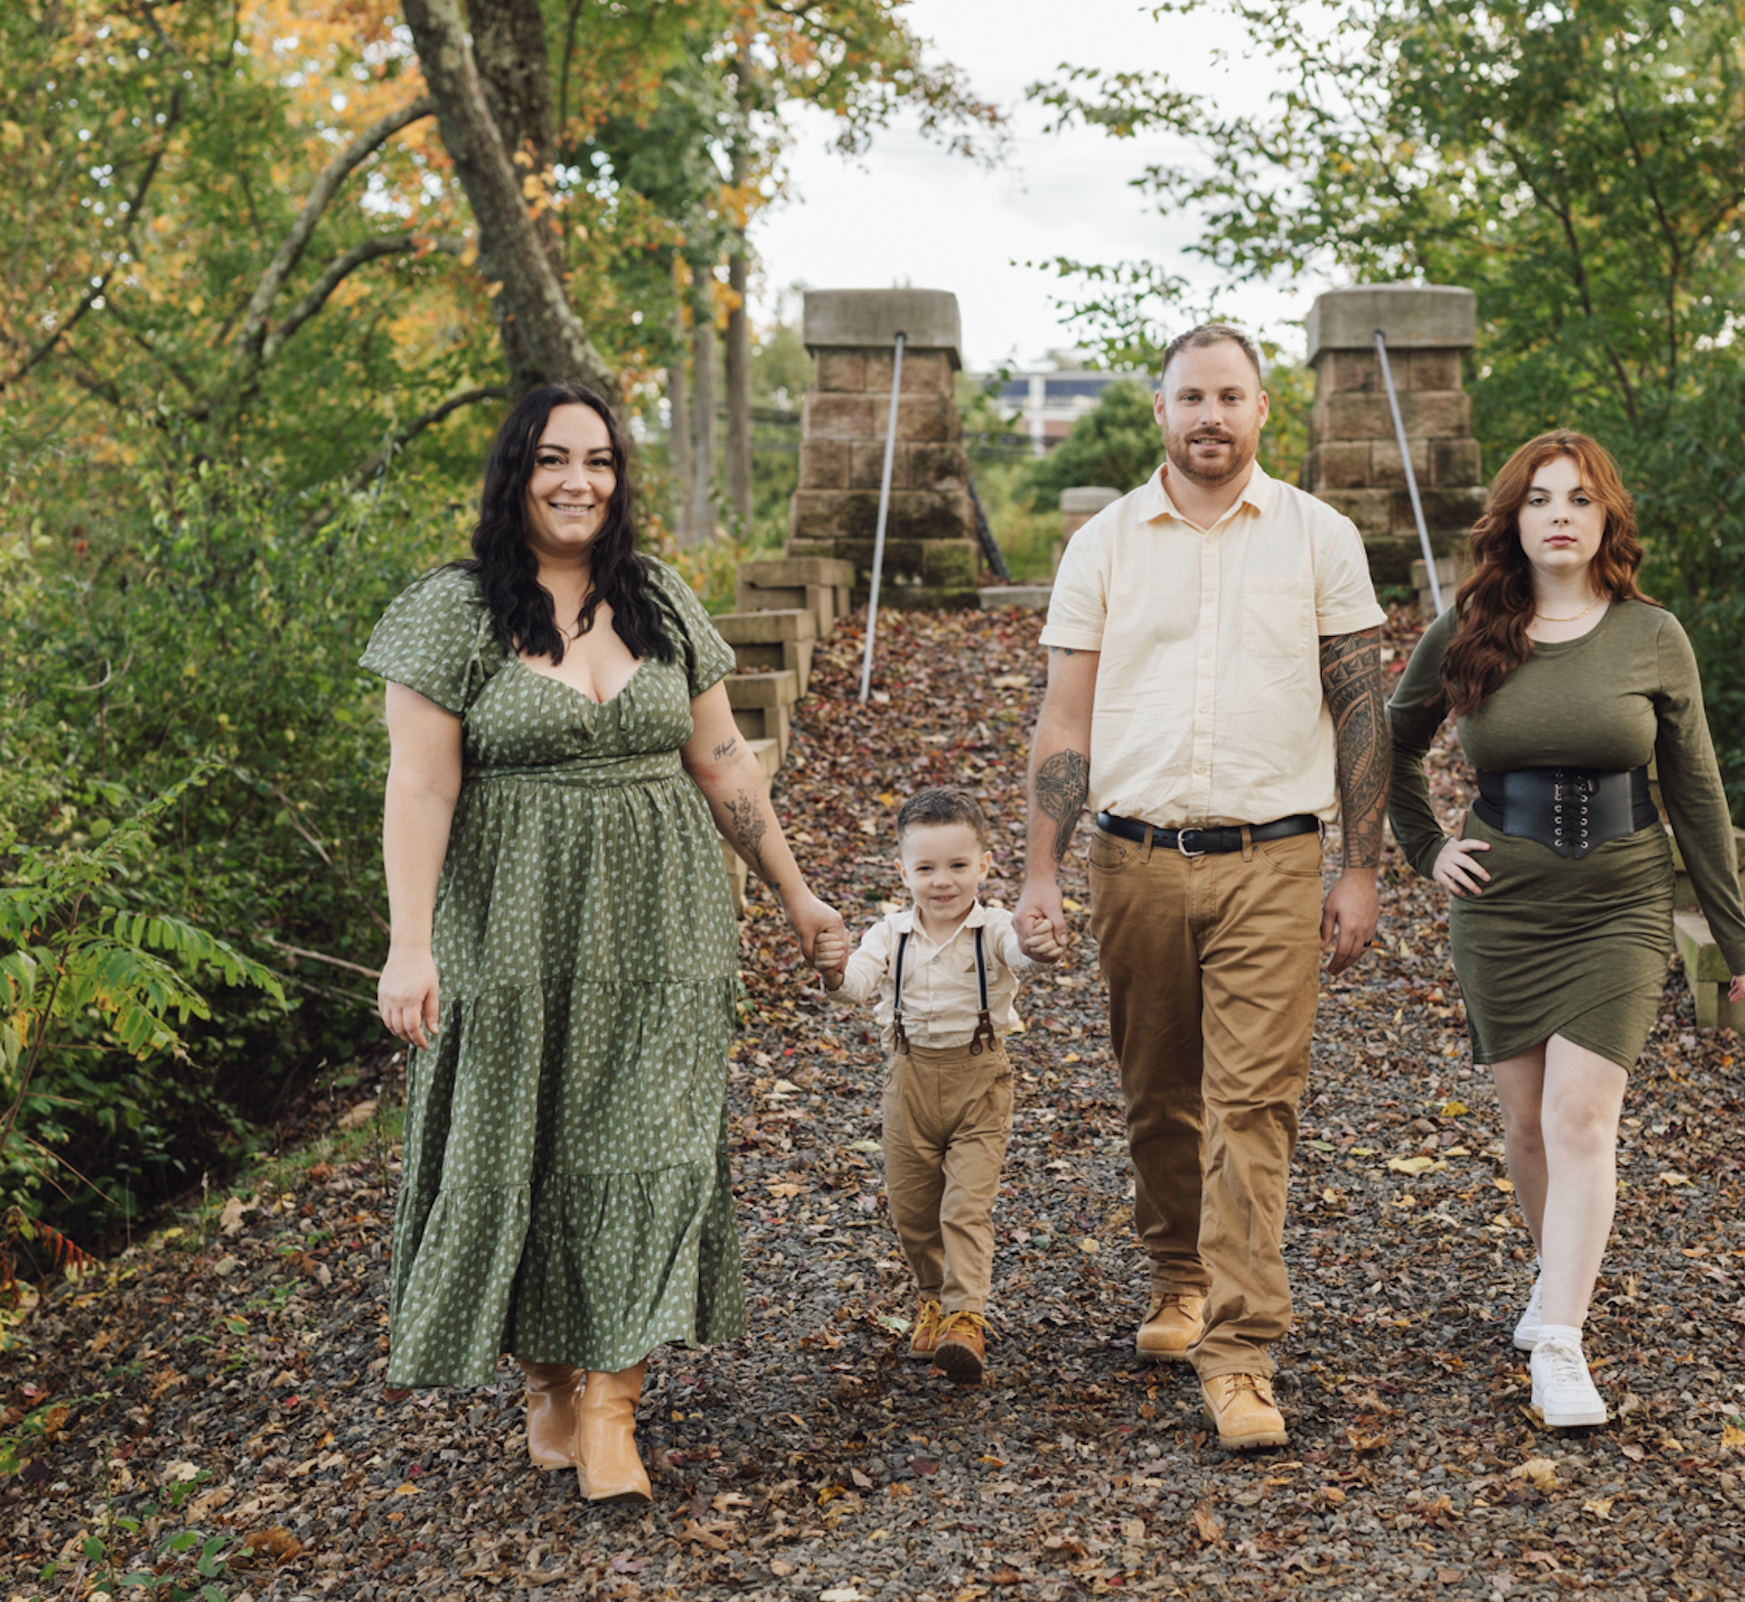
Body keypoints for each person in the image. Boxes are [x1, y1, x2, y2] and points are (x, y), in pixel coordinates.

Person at [365, 384, 847, 1504]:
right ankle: (545, 1386)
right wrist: (409, 944)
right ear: (513, 475)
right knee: (514, 1146)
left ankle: (613, 1411)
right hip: (508, 924)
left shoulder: (662, 602)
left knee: (652, 1149)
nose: (578, 481)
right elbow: (420, 788)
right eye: (551, 460)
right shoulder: (453, 611)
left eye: (599, 460)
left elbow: (726, 763)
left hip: (665, 923)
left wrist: (798, 897)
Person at [1014, 323, 1390, 1451]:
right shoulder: (1106, 545)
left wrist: (1361, 868)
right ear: (1161, 412)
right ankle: (1178, 1278)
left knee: (1254, 1106)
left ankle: (1242, 1355)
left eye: (1230, 396)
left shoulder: (1321, 538)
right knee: (1158, 1092)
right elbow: (1064, 718)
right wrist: (1039, 867)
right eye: (1191, 398)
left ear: (1264, 409)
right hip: (1130, 857)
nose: (1210, 416)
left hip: (1272, 859)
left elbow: (1364, 705)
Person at [1385, 429, 1745, 1428]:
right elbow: (1386, 743)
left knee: (1579, 1118)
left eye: (1581, 499)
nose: (1560, 514)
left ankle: (1559, 1343)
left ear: (1607, 521)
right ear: (1514, 519)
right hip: (1502, 909)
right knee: (1524, 1127)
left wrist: (1734, 934)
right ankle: (1554, 1277)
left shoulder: (1652, 636)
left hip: (1619, 904)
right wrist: (1424, 847)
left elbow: (1696, 787)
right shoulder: (1467, 627)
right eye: (1541, 498)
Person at [818, 787, 1062, 1387]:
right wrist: (830, 966)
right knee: (913, 1209)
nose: (942, 882)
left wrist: (1040, 945)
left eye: (958, 866)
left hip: (980, 1081)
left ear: (983, 865)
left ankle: (966, 1319)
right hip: (909, 1082)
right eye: (926, 868)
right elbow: (856, 984)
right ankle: (933, 1298)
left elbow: (1023, 955)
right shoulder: (891, 934)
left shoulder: (995, 928)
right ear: (902, 871)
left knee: (965, 1206)